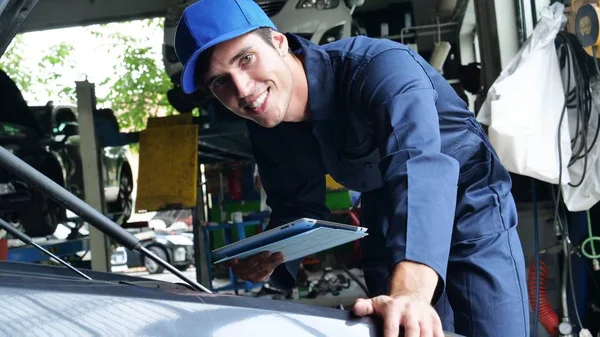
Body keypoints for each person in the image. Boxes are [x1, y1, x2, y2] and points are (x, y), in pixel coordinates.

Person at [173, 1, 530, 336]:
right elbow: (296, 205)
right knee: (397, 328)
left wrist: (410, 293)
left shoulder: (381, 67)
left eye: (246, 58)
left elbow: (419, 167)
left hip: (470, 204)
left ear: (279, 42)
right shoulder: (267, 121)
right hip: (385, 209)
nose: (243, 89)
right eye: (219, 81)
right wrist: (271, 257)